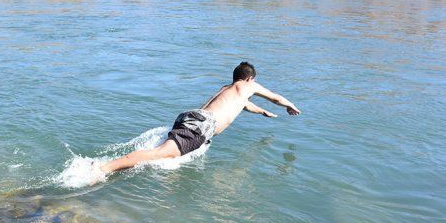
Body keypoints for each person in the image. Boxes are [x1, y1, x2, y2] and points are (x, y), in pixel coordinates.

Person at [96, 61, 301, 176]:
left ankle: (114, 169)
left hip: (193, 117)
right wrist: (290, 105)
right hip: (203, 125)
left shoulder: (228, 90)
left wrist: (262, 112)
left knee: (166, 156)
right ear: (249, 79)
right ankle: (104, 168)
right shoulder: (249, 85)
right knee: (161, 153)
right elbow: (275, 98)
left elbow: (244, 105)